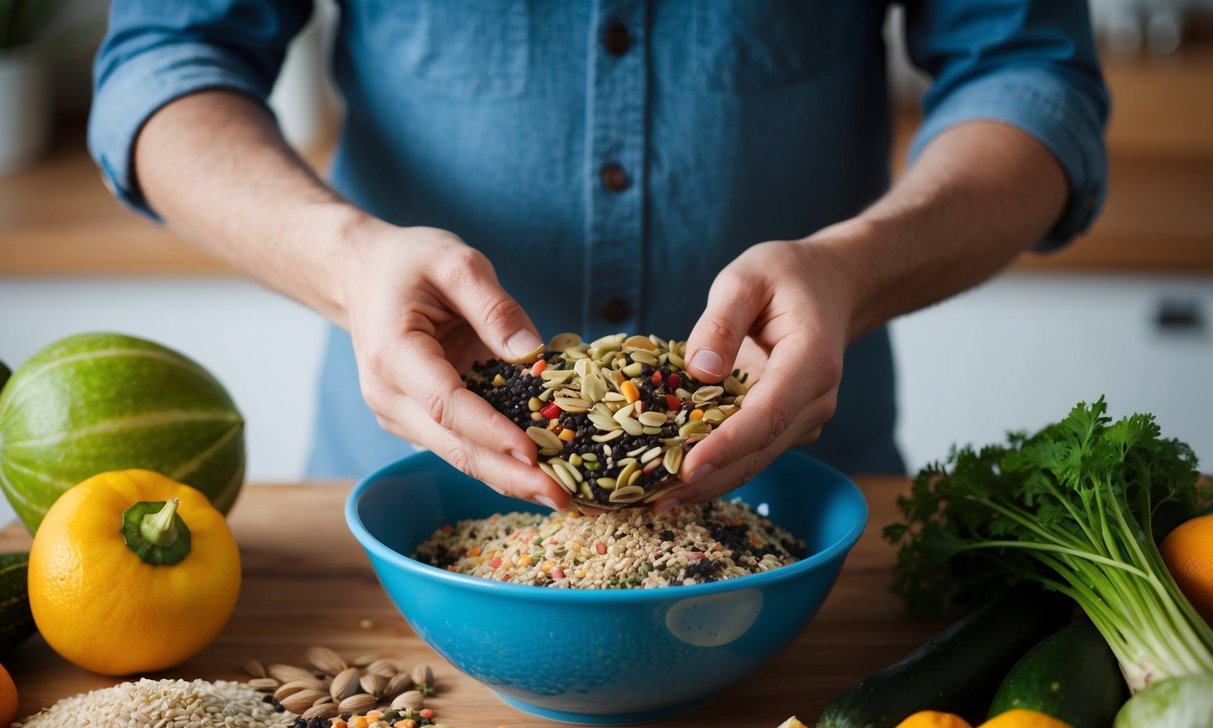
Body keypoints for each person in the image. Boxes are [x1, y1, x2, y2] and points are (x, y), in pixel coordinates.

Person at [88, 2, 1107, 513]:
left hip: (794, 503)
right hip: (408, 494)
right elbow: (163, 60)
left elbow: (1030, 75)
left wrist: (854, 267)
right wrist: (348, 260)